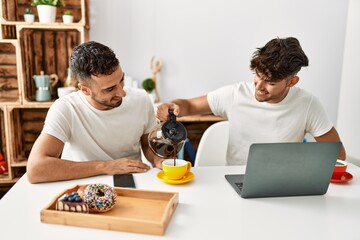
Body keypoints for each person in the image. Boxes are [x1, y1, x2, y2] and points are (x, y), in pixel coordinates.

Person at [157, 37, 346, 165]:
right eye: (258, 76)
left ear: (292, 81)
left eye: (270, 82)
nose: (259, 86)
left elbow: (337, 155)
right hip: (233, 180)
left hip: (282, 186)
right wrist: (173, 106)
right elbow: (188, 106)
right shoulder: (236, 94)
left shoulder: (308, 105)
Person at [27, 41, 163, 183]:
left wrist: (158, 159)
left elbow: (147, 145)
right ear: (84, 89)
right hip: (81, 186)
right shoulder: (66, 108)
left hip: (132, 181)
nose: (122, 93)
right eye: (110, 89)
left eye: (121, 80)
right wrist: (106, 166)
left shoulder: (141, 98)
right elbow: (36, 169)